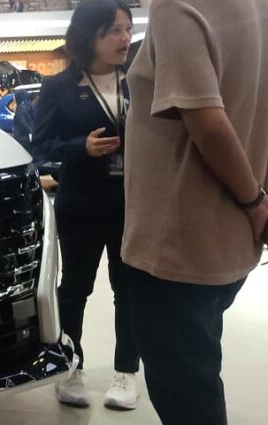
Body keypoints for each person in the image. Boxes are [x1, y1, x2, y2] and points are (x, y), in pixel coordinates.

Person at [122, 0, 268, 424]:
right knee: (199, 372)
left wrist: (254, 202)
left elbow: (206, 120)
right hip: (229, 241)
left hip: (176, 244)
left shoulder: (177, 4)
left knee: (188, 397)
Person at [32, 0, 139, 410]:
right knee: (76, 286)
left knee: (128, 289)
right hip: (80, 204)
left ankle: (126, 371)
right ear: (89, 35)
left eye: (128, 29)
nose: (125, 38)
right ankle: (69, 366)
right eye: (114, 30)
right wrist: (82, 147)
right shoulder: (59, 87)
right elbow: (41, 147)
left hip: (133, 203)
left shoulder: (139, 81)